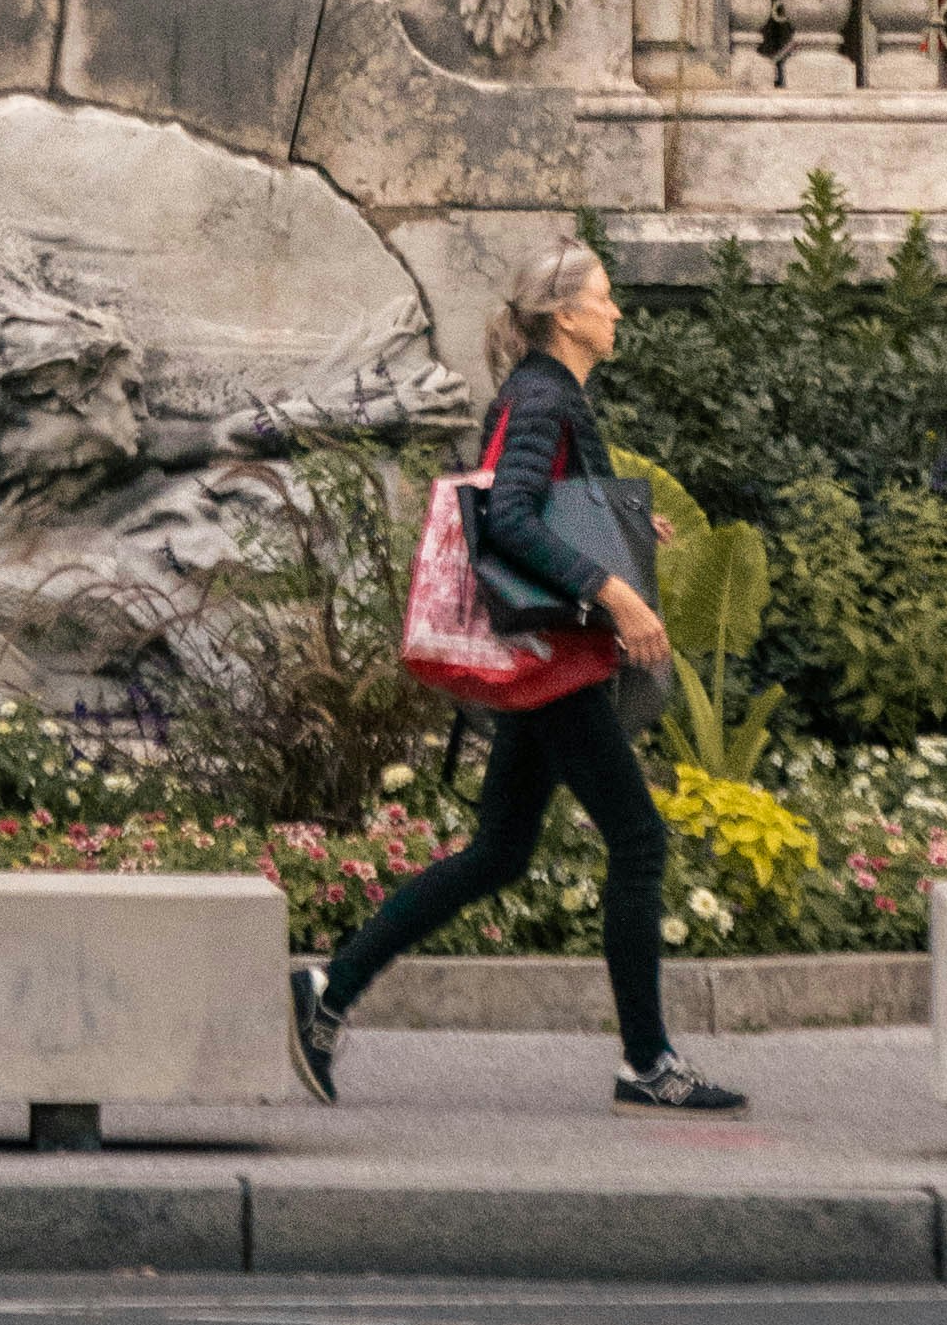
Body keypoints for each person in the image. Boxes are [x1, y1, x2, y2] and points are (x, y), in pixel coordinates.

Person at [287, 241, 747, 1121]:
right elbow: (507, 517)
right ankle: (647, 1062)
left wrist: (618, 524)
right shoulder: (542, 395)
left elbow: (539, 502)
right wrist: (613, 590)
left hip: (542, 660)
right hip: (554, 660)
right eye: (606, 299)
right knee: (639, 840)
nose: (619, 313)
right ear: (566, 313)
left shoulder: (549, 395)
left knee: (499, 851)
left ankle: (329, 988)